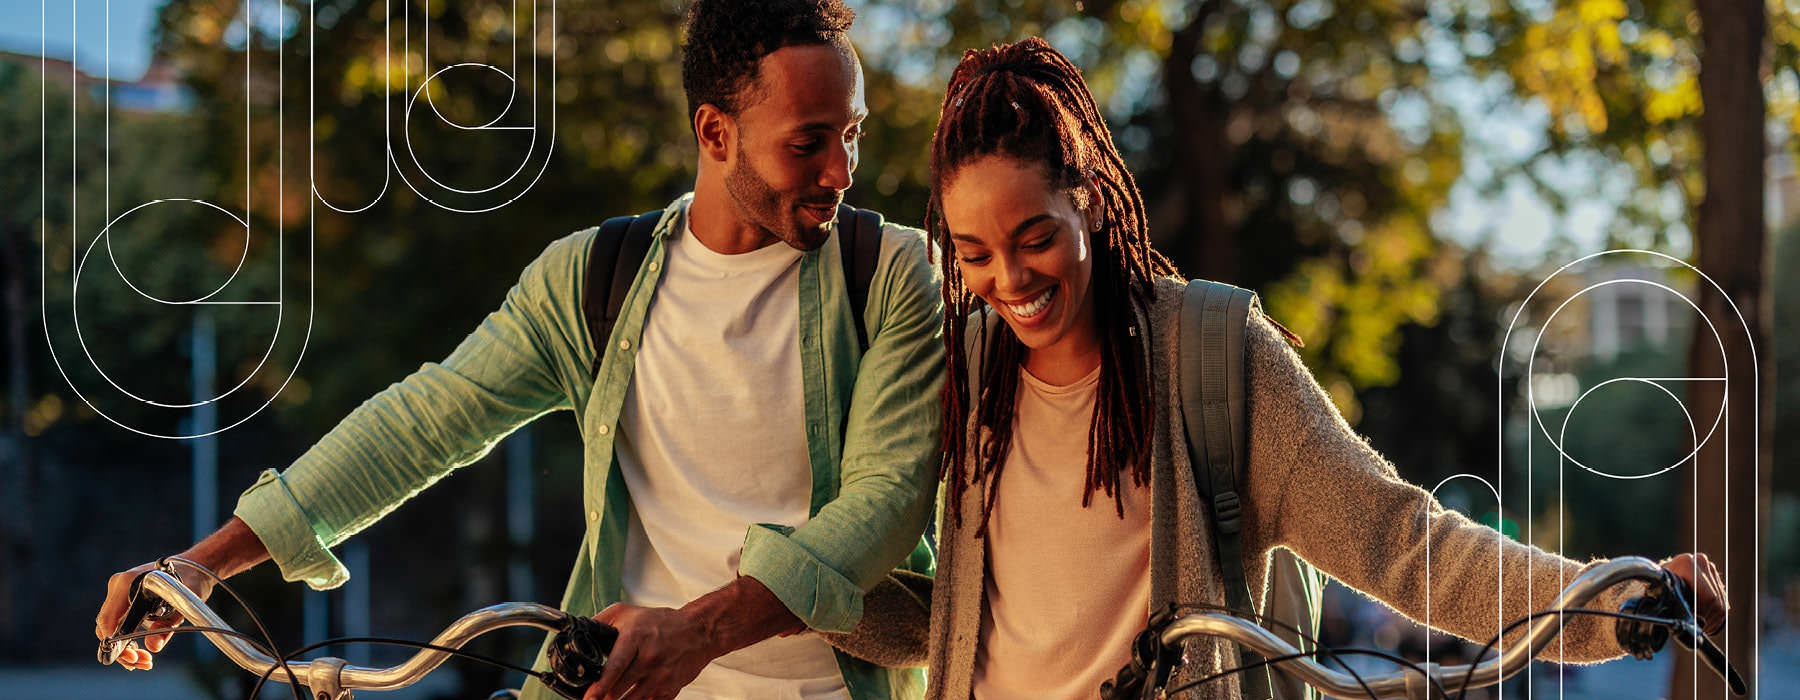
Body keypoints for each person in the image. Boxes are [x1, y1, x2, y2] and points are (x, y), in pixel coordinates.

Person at [93, 2, 944, 699]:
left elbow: (886, 499)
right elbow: (425, 421)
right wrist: (199, 566)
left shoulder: (890, 271)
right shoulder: (592, 279)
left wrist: (695, 632)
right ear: (714, 133)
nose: (843, 170)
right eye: (809, 142)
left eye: (853, 133)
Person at [919, 37, 1728, 699]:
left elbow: (1402, 542)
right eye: (974, 255)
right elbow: (948, 612)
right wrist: (804, 591)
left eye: (1034, 239)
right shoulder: (965, 365)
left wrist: (1617, 599)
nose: (1010, 282)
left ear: (1090, 198)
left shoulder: (1211, 357)